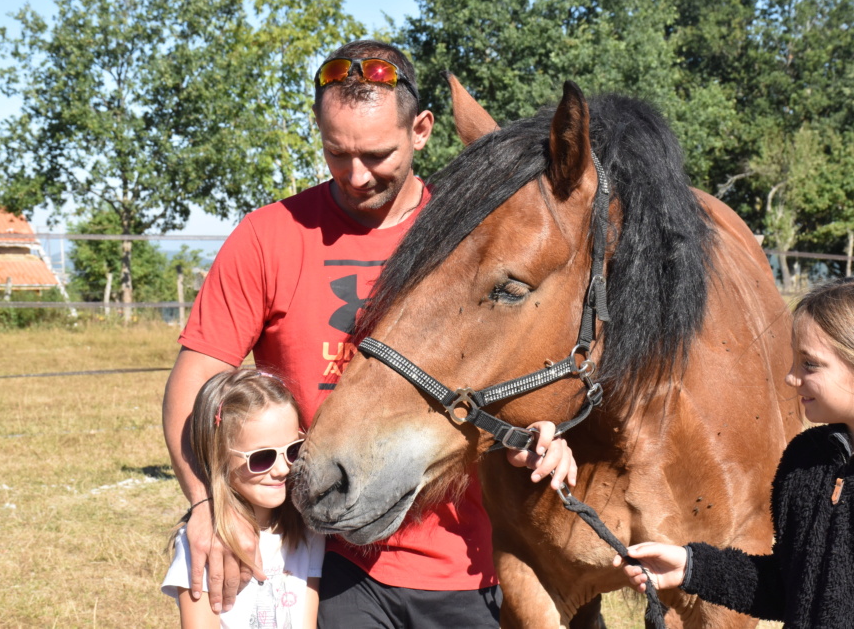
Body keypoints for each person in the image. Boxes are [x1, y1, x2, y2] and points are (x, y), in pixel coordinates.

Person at [162, 39, 576, 626]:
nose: (356, 176)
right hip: (326, 559)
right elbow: (195, 377)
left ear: (423, 130)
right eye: (337, 153)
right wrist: (205, 504)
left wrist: (541, 438)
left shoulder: (473, 241)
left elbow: (522, 367)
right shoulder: (268, 236)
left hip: (467, 560)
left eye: (378, 154)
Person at [614, 275, 854, 627]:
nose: (791, 376)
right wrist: (692, 567)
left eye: (810, 364)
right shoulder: (808, 461)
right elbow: (791, 585)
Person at [161, 369, 325, 628]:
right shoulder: (202, 543)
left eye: (294, 450)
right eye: (262, 458)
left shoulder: (309, 532)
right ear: (219, 458)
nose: (283, 469)